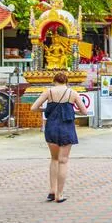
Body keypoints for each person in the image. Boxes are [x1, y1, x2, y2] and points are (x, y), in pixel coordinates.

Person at [30, 72, 89, 203]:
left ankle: (52, 191)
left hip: (51, 127)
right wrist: (72, 111)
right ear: (66, 81)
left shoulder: (48, 92)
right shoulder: (72, 93)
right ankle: (59, 194)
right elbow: (84, 111)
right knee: (63, 161)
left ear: (54, 81)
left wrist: (46, 110)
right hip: (66, 128)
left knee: (54, 159)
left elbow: (33, 107)